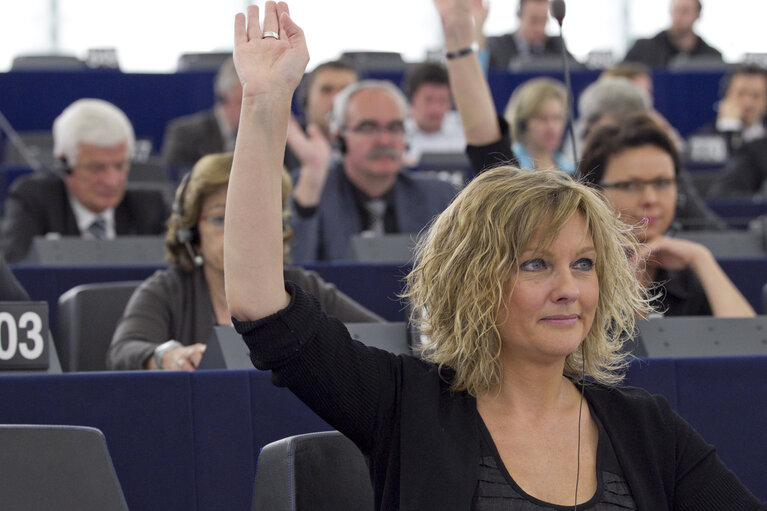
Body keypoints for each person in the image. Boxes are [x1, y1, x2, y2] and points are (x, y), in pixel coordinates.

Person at [225, 3, 764, 509]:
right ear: (474, 282)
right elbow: (263, 308)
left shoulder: (644, 426)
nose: (569, 289)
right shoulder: (404, 405)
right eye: (535, 264)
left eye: (584, 264)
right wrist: (266, 101)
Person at [107, 152, 382, 371]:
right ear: (192, 232)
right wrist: (167, 355)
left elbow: (381, 337)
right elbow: (123, 351)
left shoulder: (301, 286)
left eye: (255, 218)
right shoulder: (167, 290)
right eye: (220, 218)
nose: (239, 232)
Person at [579, 113, 755, 317]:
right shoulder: (577, 269)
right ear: (595, 193)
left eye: (662, 183)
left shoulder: (683, 270)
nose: (651, 199)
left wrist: (702, 259)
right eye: (631, 185)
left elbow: (747, 341)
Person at [288, 79, 458, 262]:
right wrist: (311, 184)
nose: (384, 141)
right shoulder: (310, 190)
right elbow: (292, 271)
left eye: (394, 128)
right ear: (339, 138)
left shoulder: (440, 198)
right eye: (368, 128)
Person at [0, 99, 168, 263]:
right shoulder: (34, 201)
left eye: (119, 166)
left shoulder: (150, 208)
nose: (111, 181)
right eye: (96, 168)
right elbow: (17, 269)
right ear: (64, 163)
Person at [689, 64, 767, 162]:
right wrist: (729, 128)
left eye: (756, 96)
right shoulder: (703, 138)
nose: (748, 103)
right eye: (741, 94)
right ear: (726, 96)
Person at [478, 0, 577, 70]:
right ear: (519, 16)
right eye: (534, 21)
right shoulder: (498, 46)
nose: (539, 28)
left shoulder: (556, 44)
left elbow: (578, 67)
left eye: (544, 21)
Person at [503, 77, 574, 173]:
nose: (551, 127)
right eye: (542, 118)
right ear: (523, 122)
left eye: (557, 118)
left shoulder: (570, 168)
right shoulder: (508, 165)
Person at [623, 0, 723, 68]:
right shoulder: (643, 50)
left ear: (697, 15)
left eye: (685, 11)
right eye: (675, 10)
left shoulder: (712, 57)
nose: (678, 17)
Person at [402, 62, 465, 164]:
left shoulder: (465, 133)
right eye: (428, 100)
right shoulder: (396, 134)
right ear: (412, 100)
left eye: (442, 100)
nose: (436, 109)